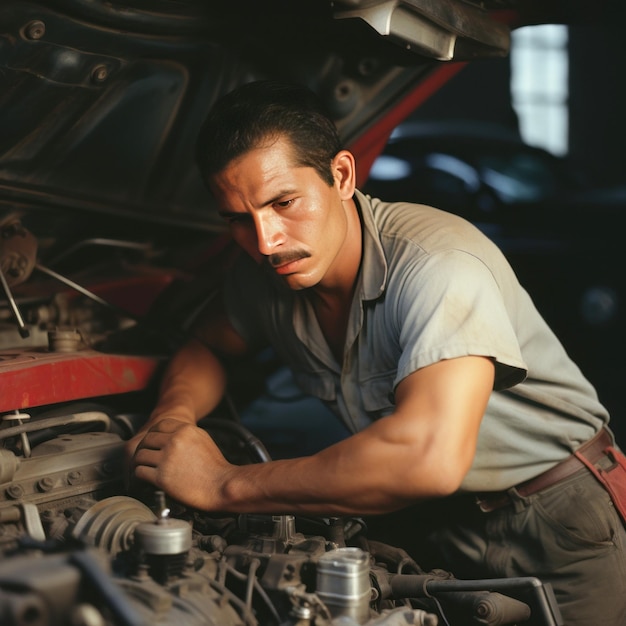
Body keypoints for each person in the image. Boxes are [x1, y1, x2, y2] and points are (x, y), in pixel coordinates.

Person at [127, 80, 626, 625]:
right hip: (436, 518)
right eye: (239, 219)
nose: (266, 242)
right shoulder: (264, 279)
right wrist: (173, 419)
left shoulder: (438, 265)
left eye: (284, 203)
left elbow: (426, 461)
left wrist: (222, 484)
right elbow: (207, 345)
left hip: (557, 517)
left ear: (341, 175)